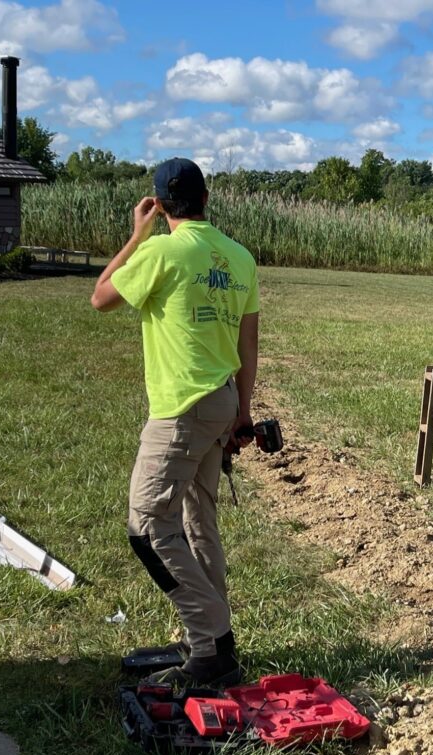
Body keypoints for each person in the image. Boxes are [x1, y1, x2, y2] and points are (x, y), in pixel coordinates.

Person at [91, 157, 259, 687]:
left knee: (147, 528)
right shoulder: (238, 257)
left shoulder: (160, 251)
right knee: (196, 520)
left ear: (160, 204)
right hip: (222, 402)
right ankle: (211, 645)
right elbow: (247, 342)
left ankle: (211, 640)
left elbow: (100, 297)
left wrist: (137, 236)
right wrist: (244, 413)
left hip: (181, 409)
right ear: (207, 200)